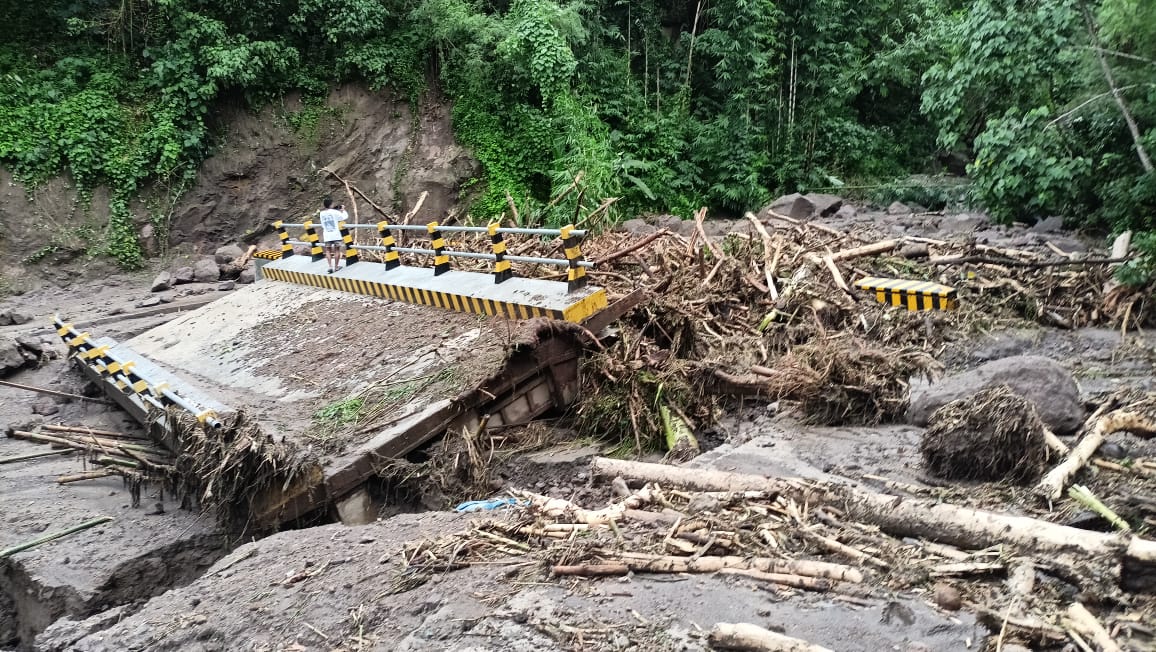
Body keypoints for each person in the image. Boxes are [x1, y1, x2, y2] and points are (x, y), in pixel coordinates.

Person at [318, 198, 347, 273]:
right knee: (337, 250)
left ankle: (330, 266)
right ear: (331, 204)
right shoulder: (334, 212)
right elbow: (343, 217)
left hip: (327, 234)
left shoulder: (321, 213)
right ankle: (336, 267)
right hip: (335, 234)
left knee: (328, 250)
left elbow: (322, 224)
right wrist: (343, 210)